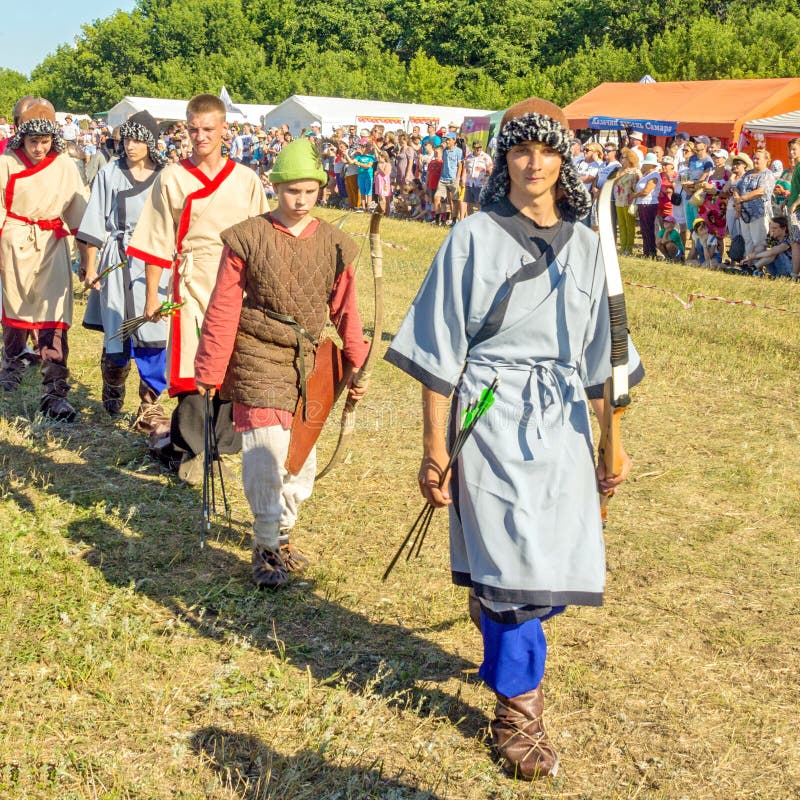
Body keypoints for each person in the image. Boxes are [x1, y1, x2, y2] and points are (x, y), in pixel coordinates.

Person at [385, 97, 643, 781]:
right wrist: (434, 447)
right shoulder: (471, 237)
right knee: (515, 581)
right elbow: (439, 351)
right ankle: (519, 712)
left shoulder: (590, 249)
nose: (534, 163)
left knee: (547, 567)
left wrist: (608, 443)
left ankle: (497, 623)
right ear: (504, 159)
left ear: (564, 160)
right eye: (521, 150)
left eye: (547, 150)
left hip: (558, 419)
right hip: (489, 413)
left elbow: (602, 360)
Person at [194, 139, 370, 588]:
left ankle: (284, 535)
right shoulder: (248, 236)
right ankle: (266, 545)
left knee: (300, 457)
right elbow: (223, 307)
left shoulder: (336, 244)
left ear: (320, 190)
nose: (301, 200)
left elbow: (347, 312)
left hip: (308, 359)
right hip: (256, 351)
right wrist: (211, 369)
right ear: (276, 188)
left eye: (309, 191)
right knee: (266, 451)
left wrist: (357, 364)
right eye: (292, 190)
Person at [126, 94, 268, 482]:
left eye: (208, 129)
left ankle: (220, 444)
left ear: (224, 129)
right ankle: (189, 448)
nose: (200, 136)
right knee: (192, 362)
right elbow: (157, 239)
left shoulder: (246, 180)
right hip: (191, 279)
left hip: (236, 280)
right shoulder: (172, 176)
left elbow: (262, 240)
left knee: (230, 359)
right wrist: (153, 294)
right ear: (185, 129)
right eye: (193, 129)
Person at [76, 111, 171, 437]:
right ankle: (113, 380)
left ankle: (149, 405)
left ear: (151, 142)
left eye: (138, 140)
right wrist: (90, 265)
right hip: (117, 261)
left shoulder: (166, 176)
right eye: (126, 139)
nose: (130, 146)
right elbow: (93, 221)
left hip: (155, 263)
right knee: (118, 335)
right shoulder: (110, 173)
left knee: (155, 336)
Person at [0, 99, 89, 420]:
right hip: (14, 241)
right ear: (22, 138)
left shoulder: (64, 165)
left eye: (45, 141)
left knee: (55, 312)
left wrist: (87, 258)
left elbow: (79, 212)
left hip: (52, 243)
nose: (39, 148)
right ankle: (11, 363)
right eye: (33, 141)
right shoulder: (7, 162)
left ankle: (54, 391)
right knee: (15, 306)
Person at [732, 149, 774, 260]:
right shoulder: (748, 173)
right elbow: (737, 186)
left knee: (758, 241)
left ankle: (757, 265)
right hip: (744, 213)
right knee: (748, 239)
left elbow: (761, 191)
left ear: (766, 160)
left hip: (759, 213)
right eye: (754, 157)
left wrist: (741, 198)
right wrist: (736, 196)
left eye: (758, 158)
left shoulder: (767, 174)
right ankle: (748, 262)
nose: (755, 160)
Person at [632, 153, 661, 258]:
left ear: (650, 164)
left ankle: (651, 252)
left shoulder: (654, 175)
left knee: (649, 228)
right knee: (644, 228)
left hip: (649, 204)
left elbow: (646, 191)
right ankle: (646, 251)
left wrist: (634, 195)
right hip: (643, 203)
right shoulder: (646, 175)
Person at [614, 147, 640, 256]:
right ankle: (623, 246)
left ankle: (629, 248)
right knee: (621, 225)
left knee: (629, 225)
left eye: (623, 157)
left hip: (629, 200)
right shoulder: (620, 170)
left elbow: (639, 185)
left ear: (630, 158)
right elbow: (613, 182)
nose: (621, 159)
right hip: (619, 200)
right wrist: (623, 173)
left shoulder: (636, 171)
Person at [462, 141, 493, 216]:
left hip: (480, 184)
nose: (478, 149)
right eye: (476, 148)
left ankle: (479, 222)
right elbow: (465, 169)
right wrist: (463, 179)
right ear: (473, 148)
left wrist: (488, 178)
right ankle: (470, 221)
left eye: (480, 147)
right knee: (469, 203)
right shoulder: (469, 157)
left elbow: (491, 170)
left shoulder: (486, 157)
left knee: (480, 204)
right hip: (469, 183)